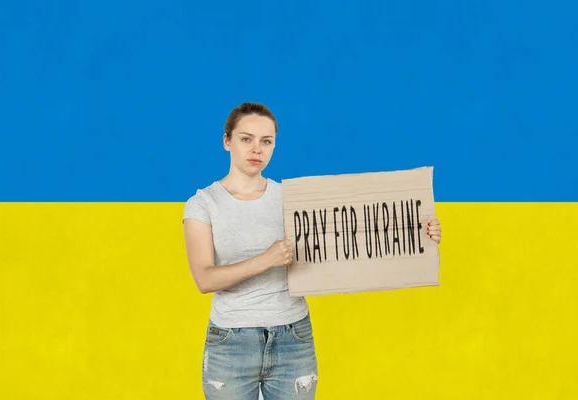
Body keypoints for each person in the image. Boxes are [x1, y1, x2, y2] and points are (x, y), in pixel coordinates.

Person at [182, 102, 442, 400]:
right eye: (246, 139)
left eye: (266, 141)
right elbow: (205, 279)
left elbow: (349, 235)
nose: (257, 149)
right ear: (227, 141)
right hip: (231, 342)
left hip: (293, 337)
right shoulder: (204, 204)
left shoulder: (292, 199)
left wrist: (417, 233)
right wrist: (266, 260)